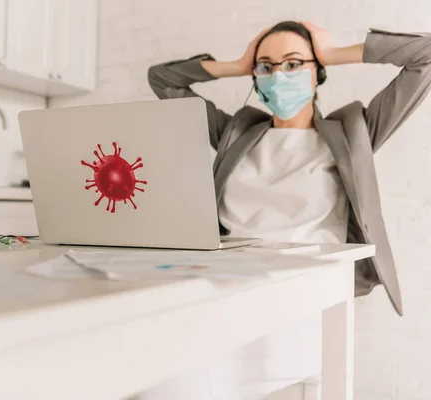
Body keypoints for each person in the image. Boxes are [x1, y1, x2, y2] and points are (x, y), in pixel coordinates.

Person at [131, 21, 431, 399]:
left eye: (293, 64)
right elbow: (163, 81)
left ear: (317, 72)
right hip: (221, 291)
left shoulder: (352, 132)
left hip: (300, 300)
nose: (278, 76)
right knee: (157, 378)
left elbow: (425, 56)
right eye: (266, 67)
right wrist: (236, 64)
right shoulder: (235, 132)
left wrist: (335, 54)